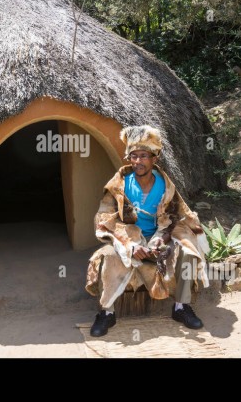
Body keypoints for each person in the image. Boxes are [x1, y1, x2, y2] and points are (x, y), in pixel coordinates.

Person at [85, 125, 211, 337]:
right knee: (107, 257)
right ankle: (107, 313)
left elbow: (178, 217)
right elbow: (103, 218)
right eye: (133, 156)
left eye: (143, 156)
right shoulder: (119, 185)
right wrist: (130, 245)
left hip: (158, 239)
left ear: (155, 158)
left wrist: (163, 238)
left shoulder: (166, 187)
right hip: (127, 241)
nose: (138, 161)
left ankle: (181, 307)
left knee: (188, 253)